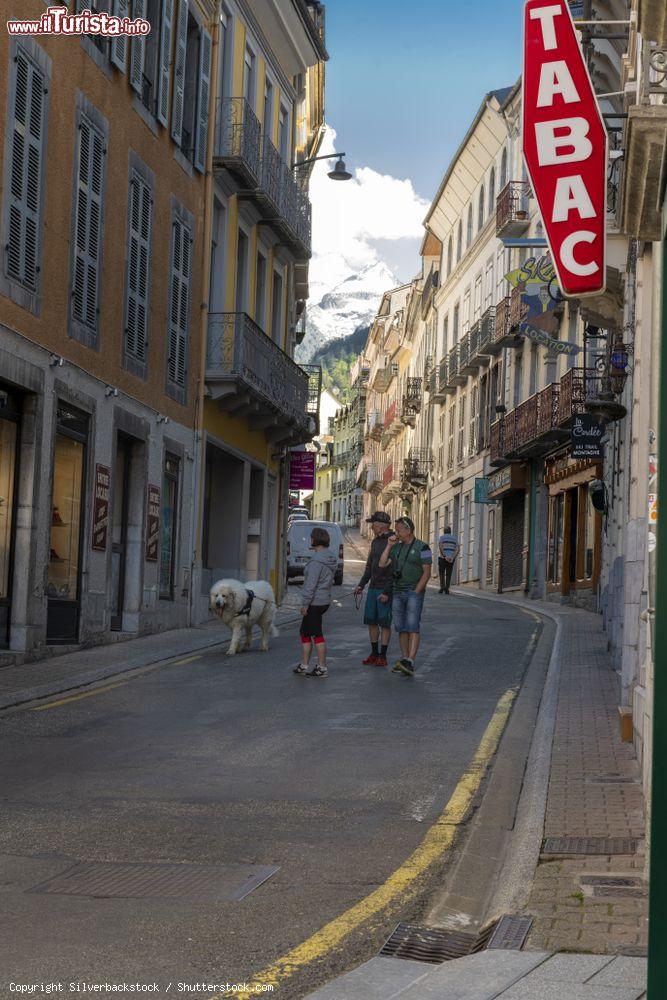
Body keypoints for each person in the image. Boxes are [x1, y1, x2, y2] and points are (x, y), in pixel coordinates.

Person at [379, 516, 432, 677]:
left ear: (408, 530)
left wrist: (417, 591)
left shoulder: (423, 547)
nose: (396, 532)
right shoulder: (397, 547)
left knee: (412, 626)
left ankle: (410, 660)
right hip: (397, 591)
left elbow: (427, 572)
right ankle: (404, 660)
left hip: (413, 592)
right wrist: (389, 545)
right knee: (401, 627)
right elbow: (382, 563)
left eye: (399, 530)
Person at [293, 526, 338, 678]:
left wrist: (305, 604)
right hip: (323, 600)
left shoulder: (316, 562)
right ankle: (304, 665)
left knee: (316, 634)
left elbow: (311, 585)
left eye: (311, 538)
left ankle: (322, 667)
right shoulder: (330, 558)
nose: (310, 540)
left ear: (315, 540)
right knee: (305, 632)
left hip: (314, 602)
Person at [354, 511, 394, 667]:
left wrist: (387, 592)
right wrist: (361, 584)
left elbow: (394, 570)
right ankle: (374, 653)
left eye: (373, 524)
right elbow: (369, 566)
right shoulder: (375, 542)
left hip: (385, 589)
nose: (371, 527)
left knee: (384, 623)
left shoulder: (393, 542)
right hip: (373, 588)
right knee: (371, 621)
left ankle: (382, 656)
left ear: (381, 525)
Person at [438, 524, 460, 594]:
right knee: (449, 573)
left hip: (442, 558)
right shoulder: (454, 538)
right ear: (450, 531)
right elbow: (458, 549)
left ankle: (442, 587)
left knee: (441, 573)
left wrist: (445, 556)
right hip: (451, 559)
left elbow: (441, 547)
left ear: (444, 531)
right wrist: (453, 557)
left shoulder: (442, 538)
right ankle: (447, 589)